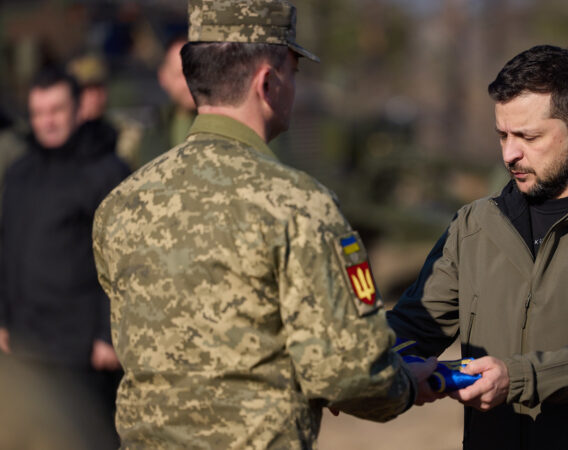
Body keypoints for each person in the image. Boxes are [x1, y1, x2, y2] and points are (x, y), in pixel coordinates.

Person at [91, 0, 437, 448]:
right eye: (294, 71)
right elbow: (350, 373)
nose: (295, 86)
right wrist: (404, 385)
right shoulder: (300, 205)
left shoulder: (122, 203)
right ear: (268, 82)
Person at [387, 45, 568, 449]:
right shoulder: (475, 227)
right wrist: (352, 370)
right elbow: (414, 327)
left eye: (528, 137)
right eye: (503, 135)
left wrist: (518, 378)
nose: (510, 153)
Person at [0, 67, 131, 448]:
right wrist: (3, 319)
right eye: (39, 112)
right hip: (26, 342)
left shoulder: (106, 171)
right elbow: (8, 247)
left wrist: (109, 334)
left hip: (83, 350)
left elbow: (122, 262)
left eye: (56, 109)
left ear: (79, 108)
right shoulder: (21, 172)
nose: (47, 121)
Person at [131, 34, 196, 168]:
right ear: (163, 77)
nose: (188, 83)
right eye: (180, 75)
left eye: (194, 73)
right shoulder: (153, 127)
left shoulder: (219, 122)